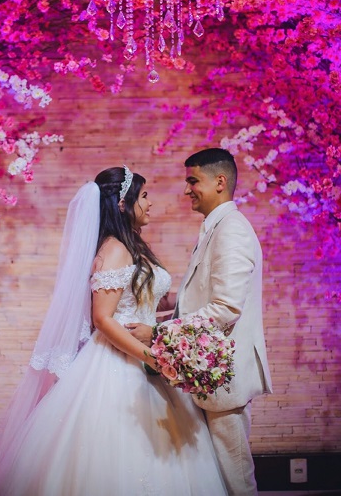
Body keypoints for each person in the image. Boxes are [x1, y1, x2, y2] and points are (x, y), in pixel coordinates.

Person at [0, 165, 227, 496]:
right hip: (121, 362)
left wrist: (193, 310)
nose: (150, 203)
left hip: (147, 356)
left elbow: (146, 301)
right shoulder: (114, 249)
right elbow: (102, 318)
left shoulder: (133, 245)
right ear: (123, 204)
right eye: (144, 196)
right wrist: (153, 357)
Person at [127, 148, 273, 496]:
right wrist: (159, 305)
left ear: (220, 182)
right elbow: (207, 297)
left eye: (193, 181)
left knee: (237, 478)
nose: (186, 189)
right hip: (208, 376)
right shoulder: (215, 227)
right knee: (219, 476)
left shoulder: (232, 230)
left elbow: (226, 308)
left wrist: (158, 332)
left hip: (225, 378)